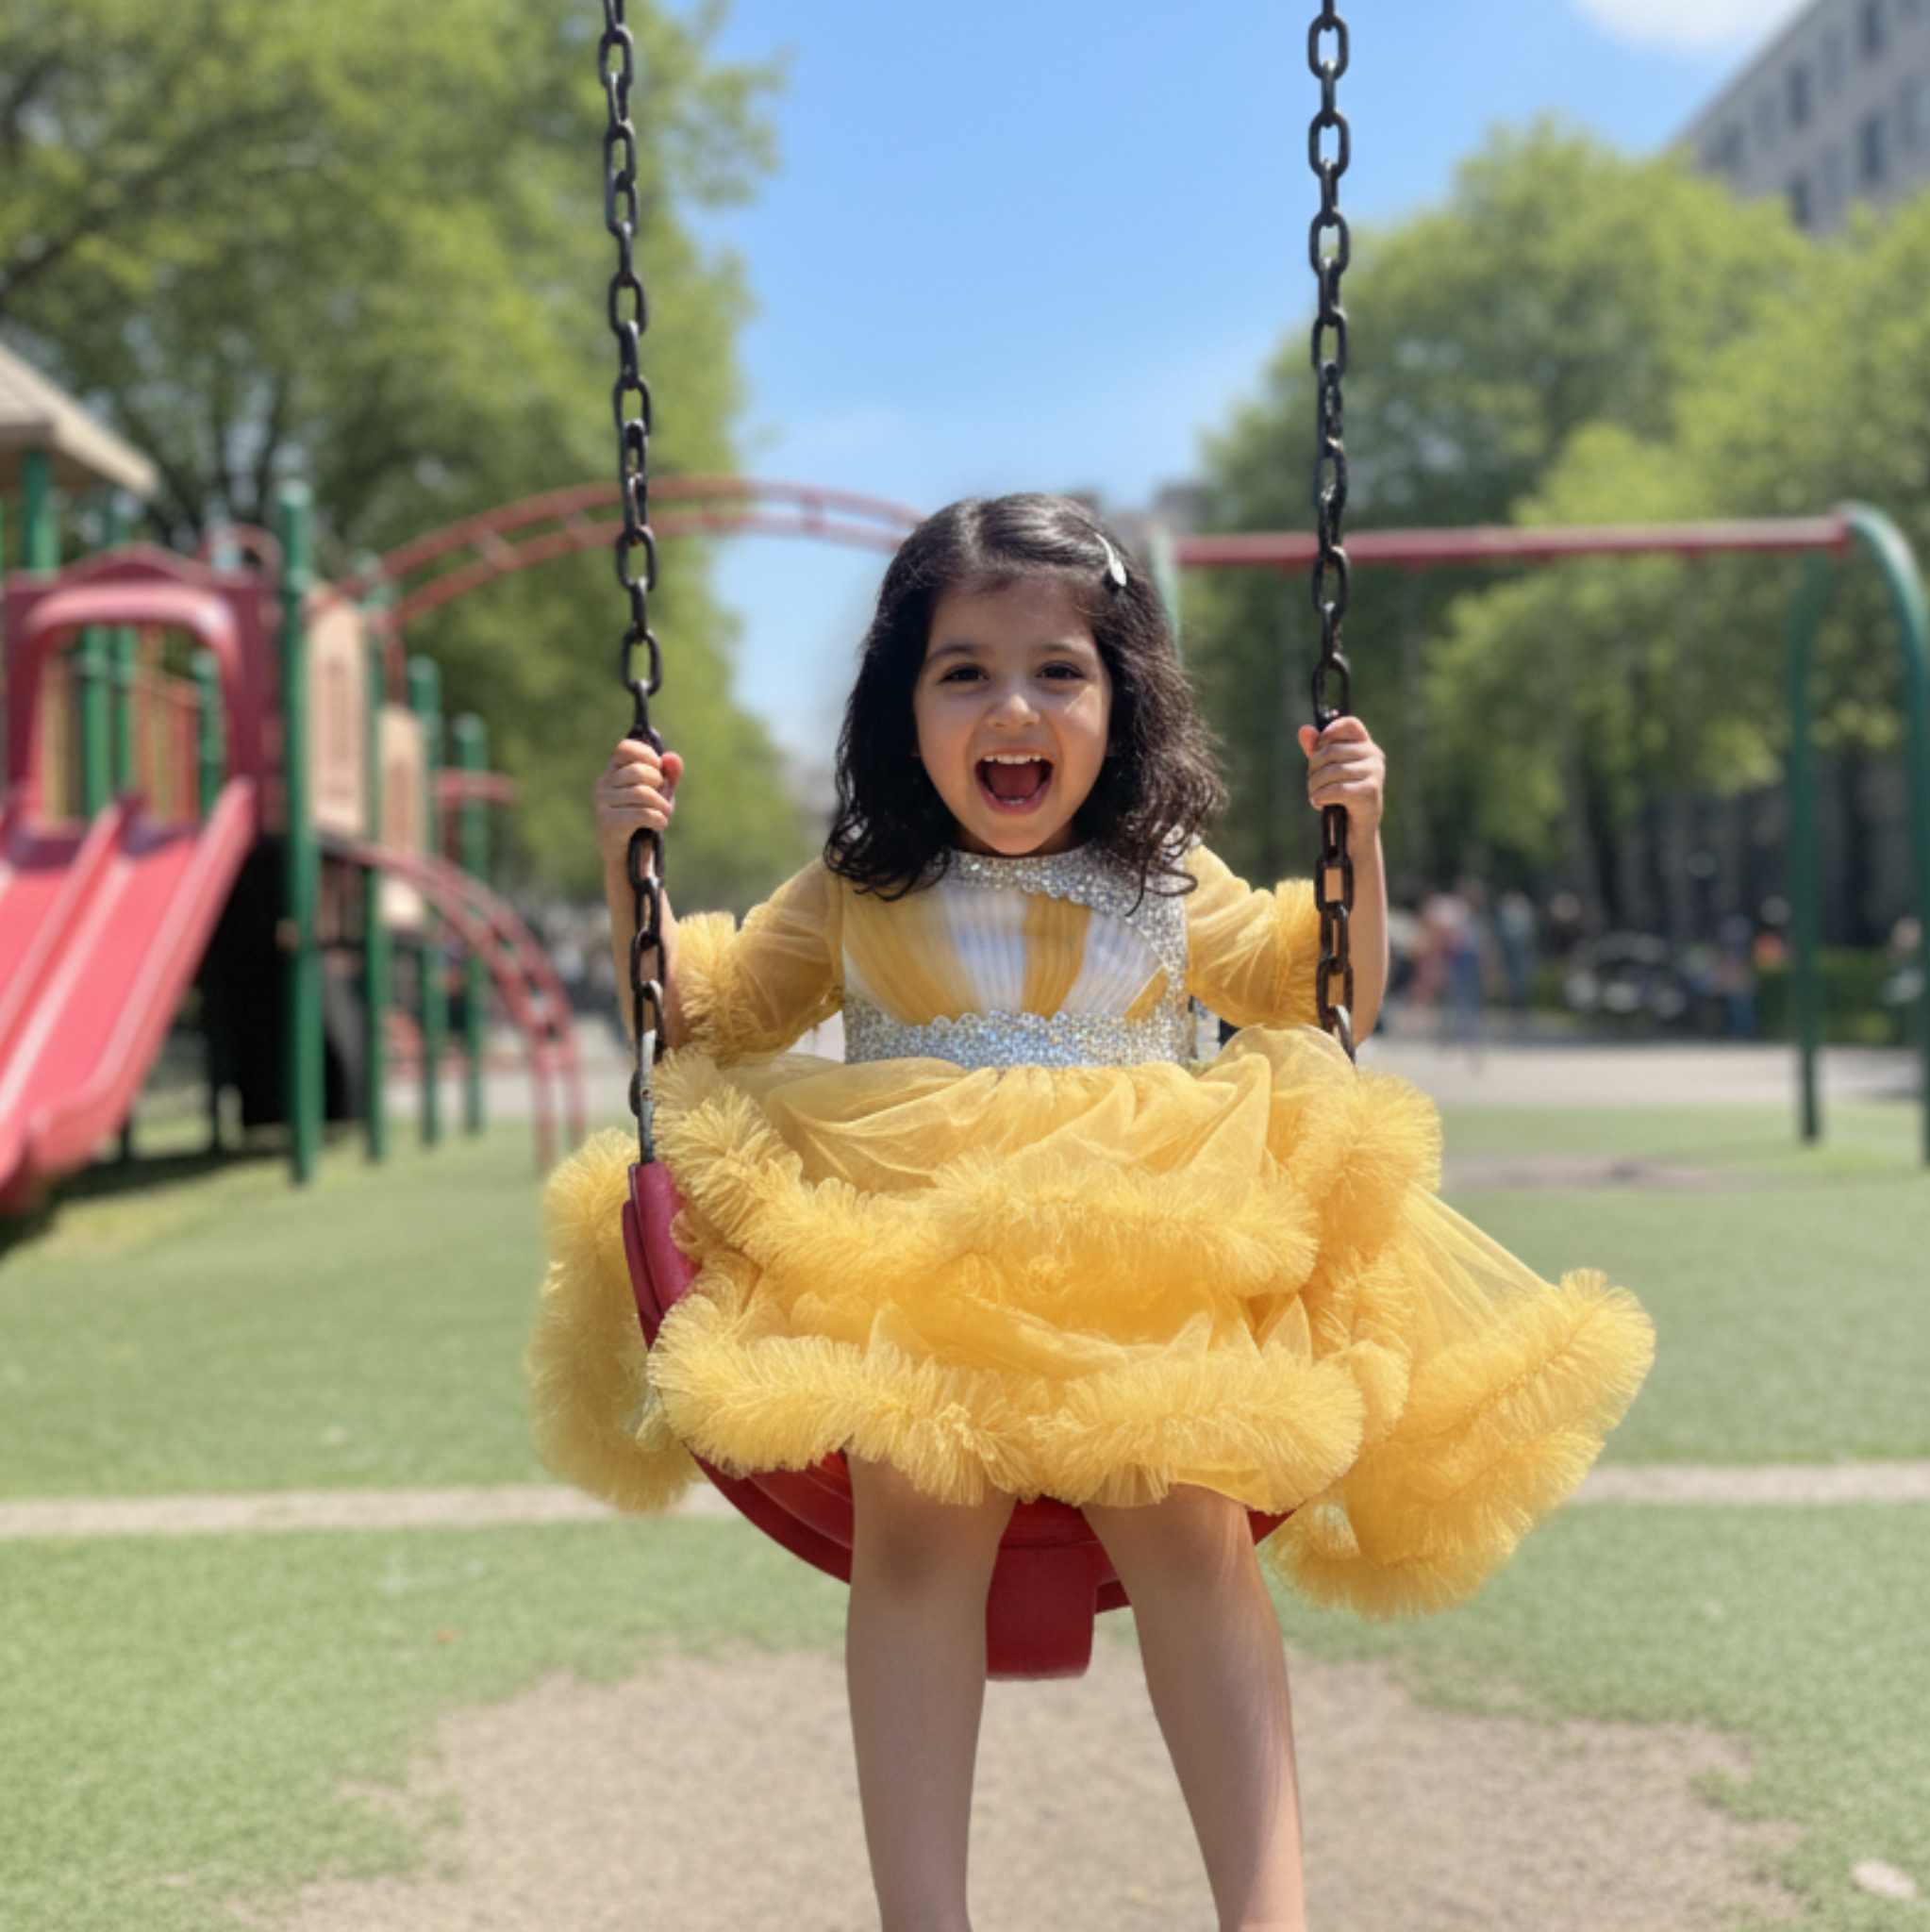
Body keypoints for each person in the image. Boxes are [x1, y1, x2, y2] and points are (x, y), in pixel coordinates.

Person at [530, 494, 1654, 1932]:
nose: (1015, 707)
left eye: (1059, 669)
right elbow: (704, 1012)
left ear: (1121, 698)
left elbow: (1329, 996)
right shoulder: (861, 888)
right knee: (917, 1516)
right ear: (902, 705)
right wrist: (637, 861)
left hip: (1143, 1247)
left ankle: (1270, 1913)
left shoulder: (1167, 879)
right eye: (965, 672)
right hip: (918, 1252)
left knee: (1187, 1518)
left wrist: (1355, 840)